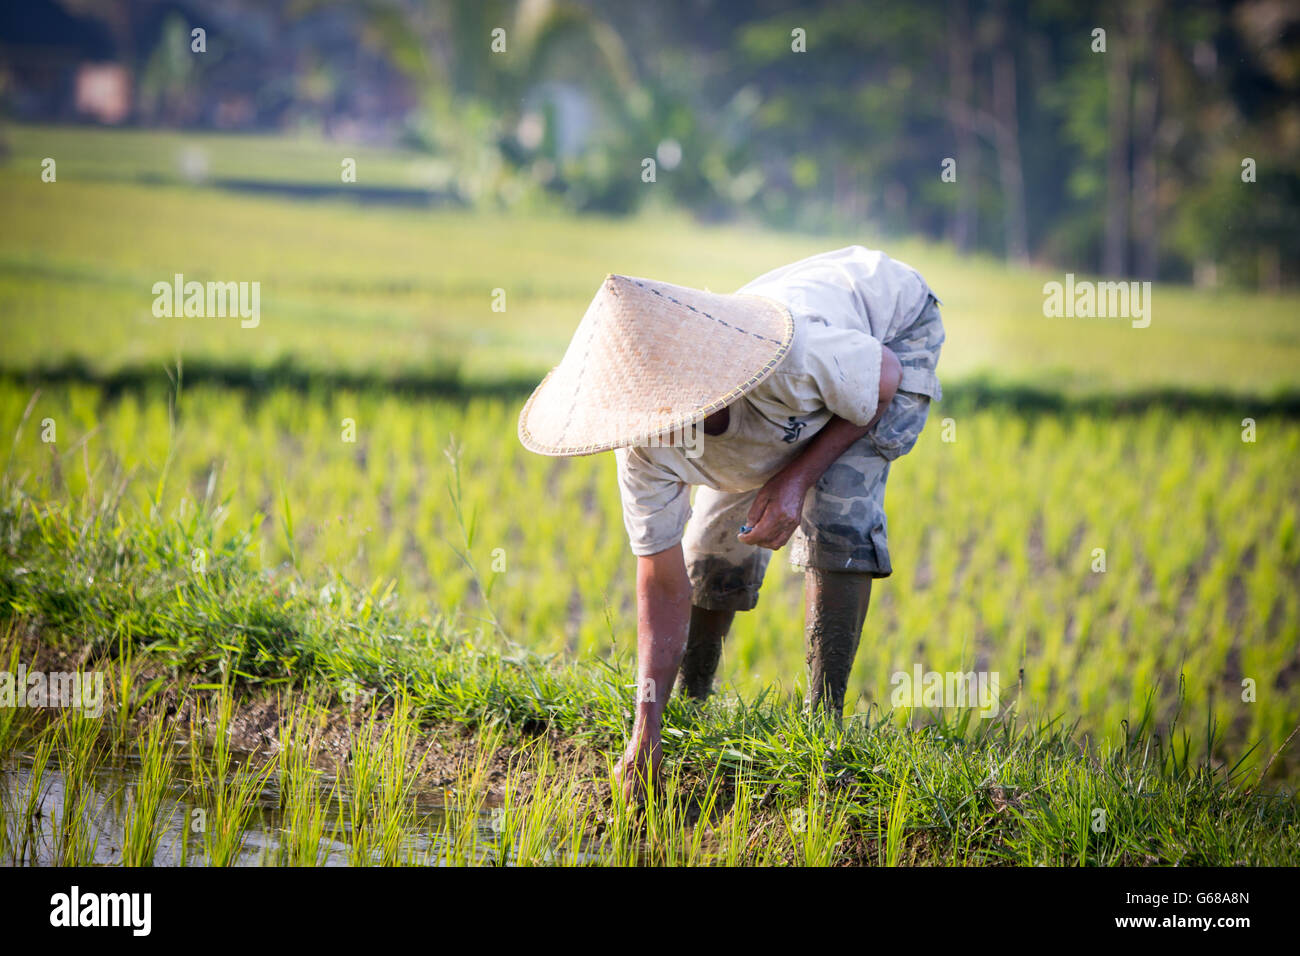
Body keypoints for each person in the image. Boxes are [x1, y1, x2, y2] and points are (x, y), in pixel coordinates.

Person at [518, 245, 944, 798]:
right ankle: (693, 706)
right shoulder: (645, 448)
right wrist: (645, 730)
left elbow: (884, 380)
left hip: (891, 334)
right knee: (711, 547)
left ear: (699, 380)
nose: (660, 427)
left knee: (838, 513)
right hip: (794, 401)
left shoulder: (788, 359)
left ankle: (824, 728)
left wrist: (794, 480)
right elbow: (662, 580)